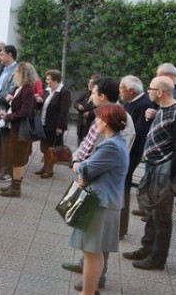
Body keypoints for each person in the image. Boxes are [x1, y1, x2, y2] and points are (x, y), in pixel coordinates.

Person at [122, 76, 176, 270]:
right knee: (152, 213)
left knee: (162, 217)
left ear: (160, 92)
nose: (148, 92)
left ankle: (157, 258)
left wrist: (168, 173)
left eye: (151, 88)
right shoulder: (162, 109)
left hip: (163, 172)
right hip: (153, 168)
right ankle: (146, 248)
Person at [70, 104, 129, 295]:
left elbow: (87, 168)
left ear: (105, 122)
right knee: (95, 251)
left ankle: (87, 292)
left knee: (91, 252)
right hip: (104, 202)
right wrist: (84, 166)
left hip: (100, 204)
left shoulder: (111, 145)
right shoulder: (116, 142)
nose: (95, 122)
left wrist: (78, 165)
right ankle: (92, 290)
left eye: (98, 119)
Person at [118, 75, 154, 237]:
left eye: (122, 88)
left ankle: (120, 229)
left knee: (123, 191)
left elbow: (137, 134)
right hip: (125, 153)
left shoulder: (144, 104)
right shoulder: (132, 102)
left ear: (131, 91)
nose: (120, 91)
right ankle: (117, 227)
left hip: (129, 154)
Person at [0, 62, 37, 197]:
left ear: (24, 74)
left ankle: (15, 189)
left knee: (18, 160)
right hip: (15, 130)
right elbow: (18, 107)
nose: (14, 74)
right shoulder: (20, 89)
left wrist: (8, 116)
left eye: (17, 72)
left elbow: (25, 112)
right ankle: (13, 185)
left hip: (21, 131)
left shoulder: (27, 91)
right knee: (15, 159)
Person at [34, 69, 72, 179]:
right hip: (44, 123)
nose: (47, 81)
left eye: (49, 79)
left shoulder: (64, 92)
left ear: (56, 80)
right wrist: (39, 101)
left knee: (52, 149)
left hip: (54, 126)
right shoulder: (48, 90)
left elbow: (64, 111)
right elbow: (44, 106)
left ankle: (49, 170)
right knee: (44, 147)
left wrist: (59, 126)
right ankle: (45, 167)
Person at [0, 44, 17, 180]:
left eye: (2, 54)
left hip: (6, 109)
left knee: (6, 142)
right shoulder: (4, 69)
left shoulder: (16, 71)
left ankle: (6, 170)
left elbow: (11, 92)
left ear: (10, 55)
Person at [75, 75, 100, 143]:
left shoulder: (99, 97)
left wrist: (90, 113)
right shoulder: (86, 94)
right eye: (88, 83)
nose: (89, 84)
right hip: (81, 126)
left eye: (91, 83)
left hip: (90, 127)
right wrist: (78, 106)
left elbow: (100, 109)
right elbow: (76, 102)